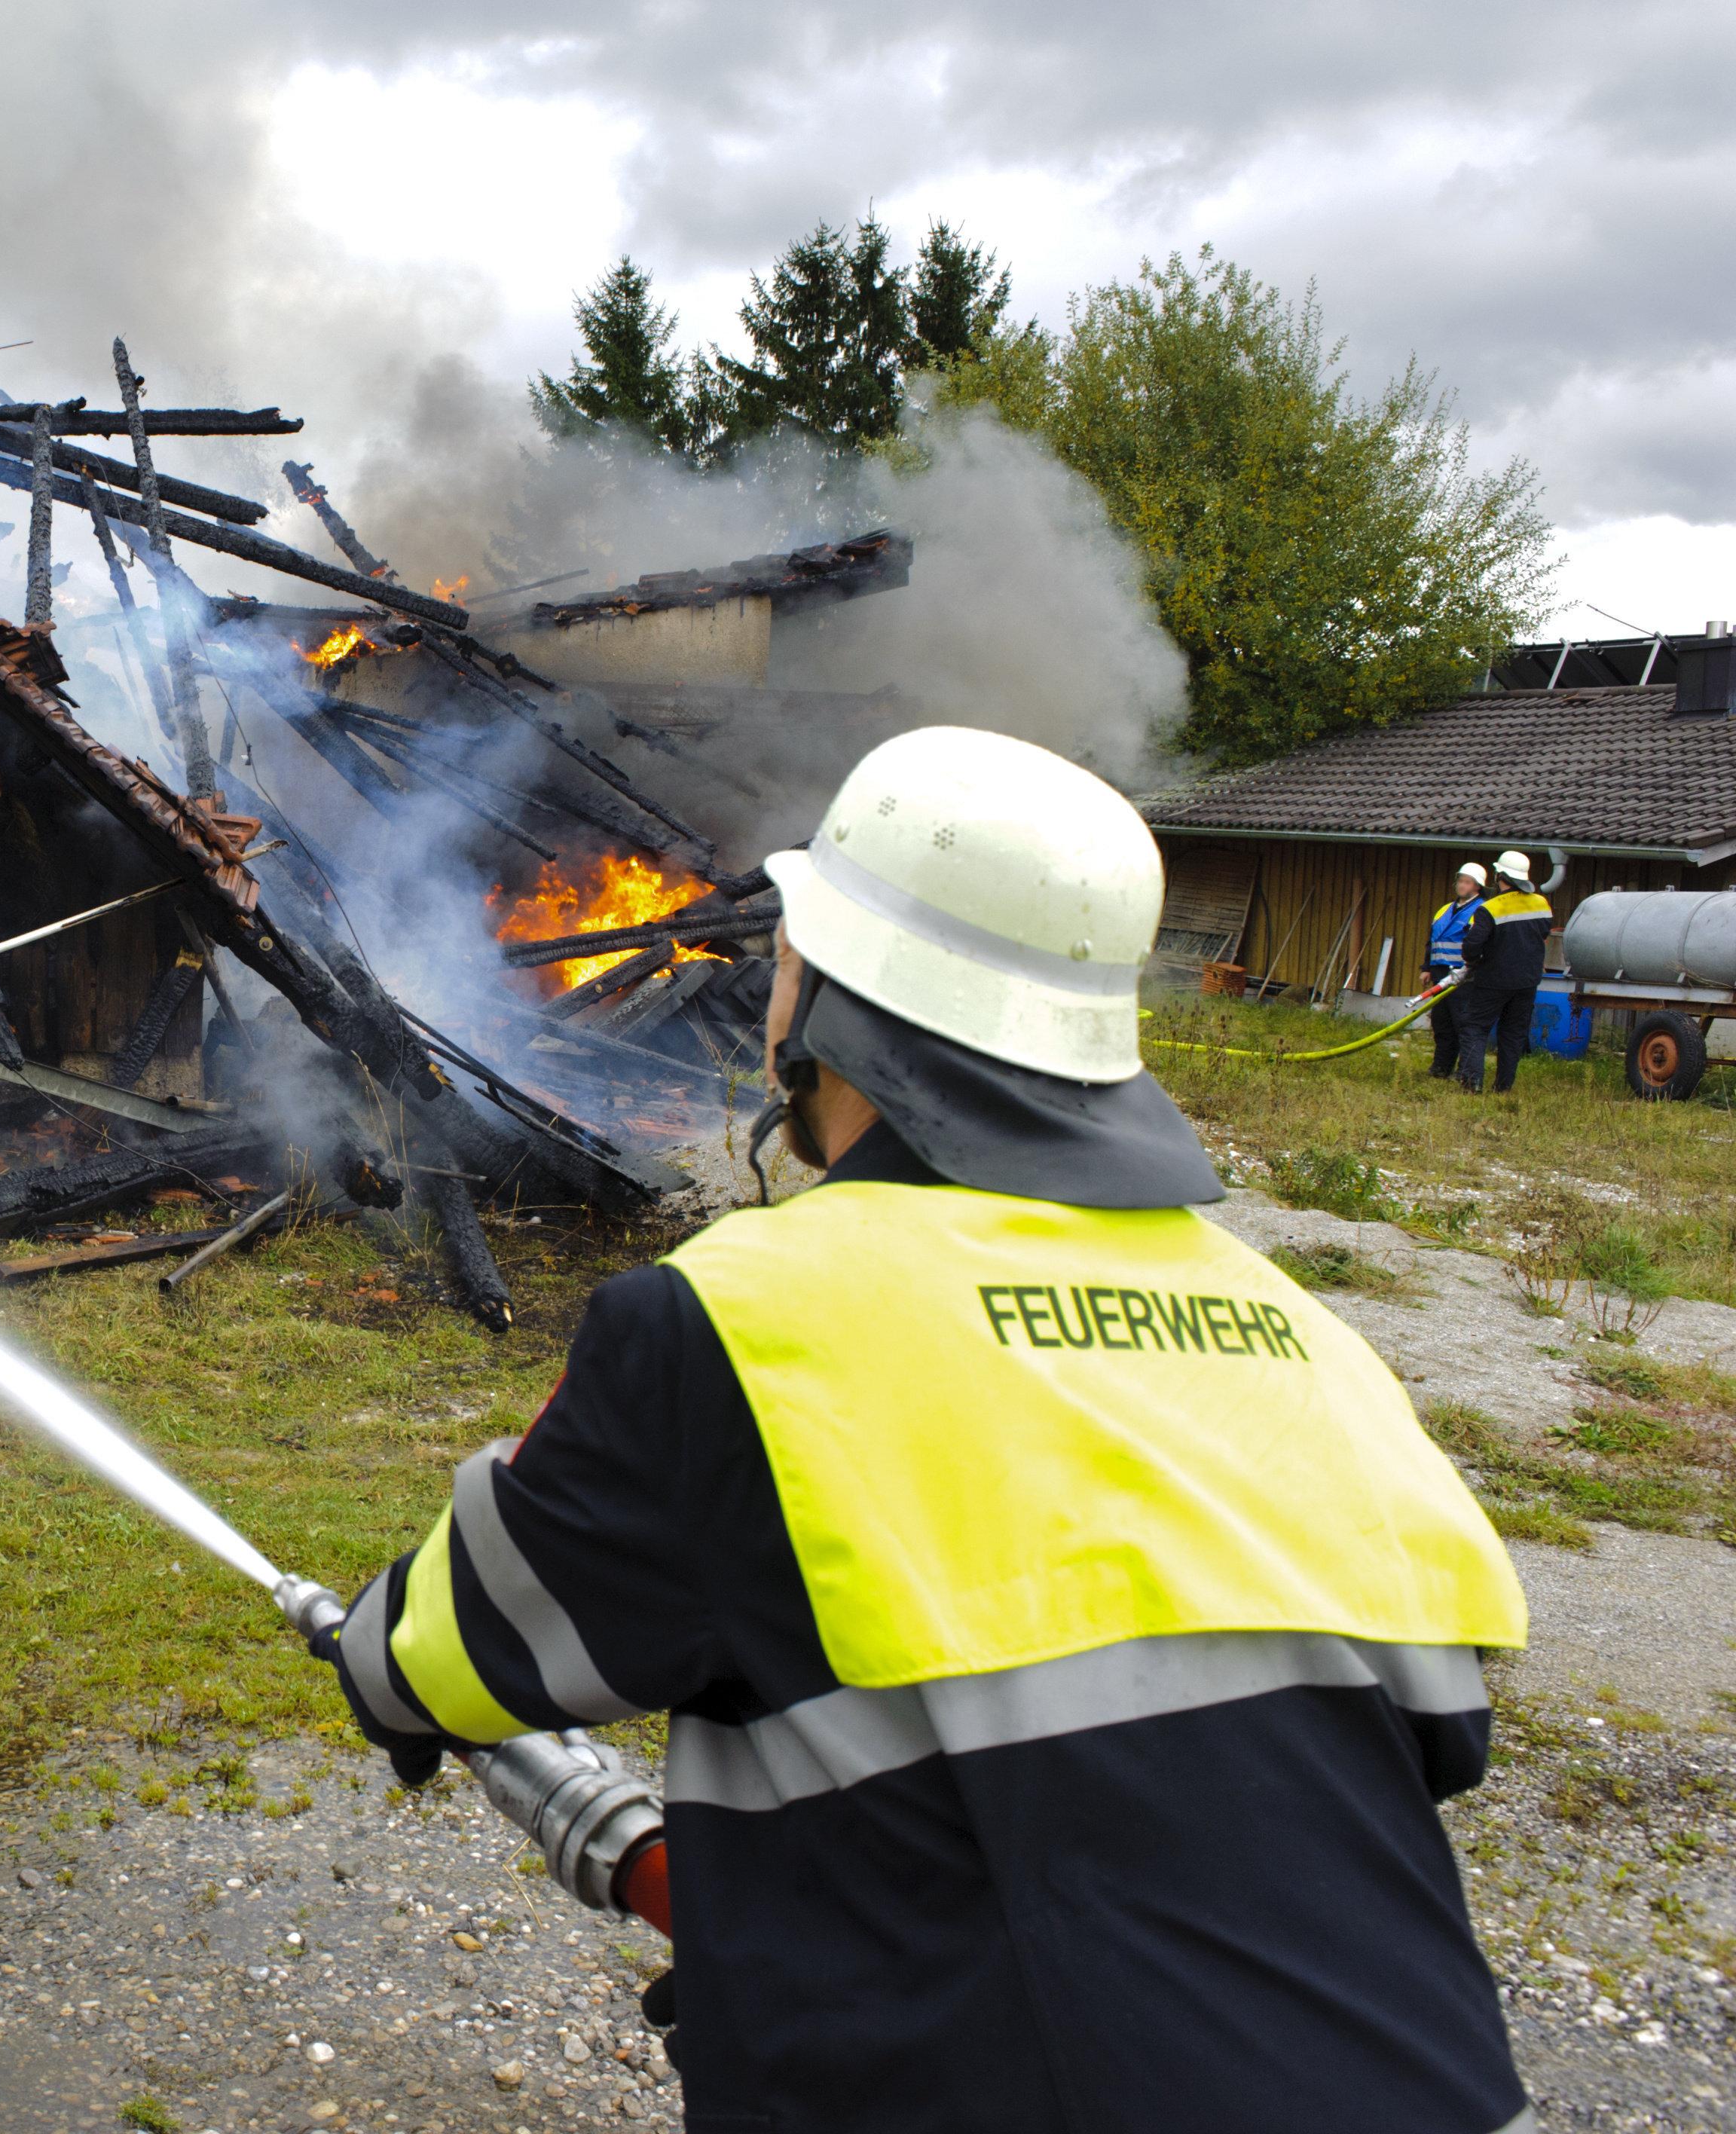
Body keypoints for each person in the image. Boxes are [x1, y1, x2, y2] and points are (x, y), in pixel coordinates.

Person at [313, 726, 1532, 2133]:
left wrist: (371, 1654)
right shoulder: (1296, 1330)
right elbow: (1432, 1736)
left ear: (824, 1001)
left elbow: (448, 1656)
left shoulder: (738, 1321)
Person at [1450, 851, 1554, 1095]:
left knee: (1475, 1027)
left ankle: (1472, 1084)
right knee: (1513, 1034)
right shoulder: (1542, 904)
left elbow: (1471, 947)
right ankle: (1504, 1087)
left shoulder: (1490, 908)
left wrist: (1474, 962)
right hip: (1527, 982)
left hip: (1493, 981)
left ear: (1500, 876)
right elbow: (1542, 935)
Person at [1424, 860, 1488, 1079]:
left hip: (1464, 977)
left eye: (1467, 882)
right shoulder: (1444, 910)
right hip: (1440, 974)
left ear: (1477, 886)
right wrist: (1426, 968)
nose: (1461, 885)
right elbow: (1432, 941)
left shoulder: (1480, 910)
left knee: (1463, 1024)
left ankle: (1464, 1071)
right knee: (1441, 1023)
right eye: (1460, 881)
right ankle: (1441, 1067)